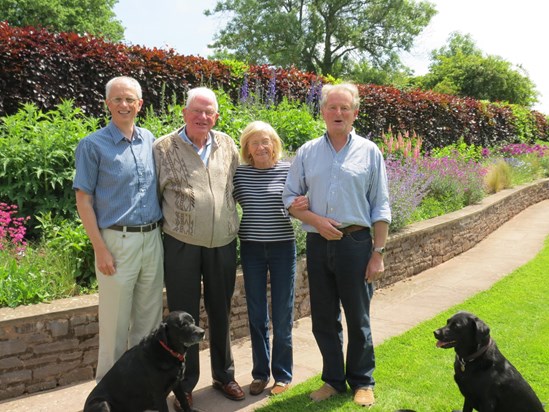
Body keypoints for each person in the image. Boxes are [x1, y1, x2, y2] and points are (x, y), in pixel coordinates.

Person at [282, 83, 391, 407]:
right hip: (318, 244)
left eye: (345, 108)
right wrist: (315, 220)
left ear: (355, 113)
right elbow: (289, 197)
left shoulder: (369, 152)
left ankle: (363, 381)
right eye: (332, 107)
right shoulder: (307, 152)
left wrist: (378, 253)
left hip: (355, 243)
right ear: (323, 112)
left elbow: (381, 206)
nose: (338, 113)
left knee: (358, 317)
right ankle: (333, 379)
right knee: (323, 318)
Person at [153, 87, 244, 411]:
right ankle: (184, 385)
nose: (203, 117)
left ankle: (224, 375)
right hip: (181, 244)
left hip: (222, 243)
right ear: (184, 112)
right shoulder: (163, 148)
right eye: (197, 111)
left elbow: (240, 185)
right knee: (183, 319)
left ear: (216, 116)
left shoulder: (228, 144)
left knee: (221, 311)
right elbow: (152, 195)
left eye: (209, 112)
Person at [73, 76, 164, 382]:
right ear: (107, 104)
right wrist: (100, 248)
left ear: (140, 104)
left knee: (148, 321)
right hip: (116, 242)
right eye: (117, 99)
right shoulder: (92, 145)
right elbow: (83, 201)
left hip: (152, 239)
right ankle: (108, 392)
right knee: (114, 323)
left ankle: (141, 387)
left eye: (130, 100)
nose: (124, 105)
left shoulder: (150, 140)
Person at [233, 121, 308, 397]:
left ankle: (282, 375)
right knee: (256, 314)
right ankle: (260, 373)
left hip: (282, 248)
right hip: (251, 248)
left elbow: (302, 202)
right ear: (247, 149)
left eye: (266, 141)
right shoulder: (239, 175)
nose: (261, 147)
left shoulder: (289, 171)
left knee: (282, 313)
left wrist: (303, 204)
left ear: (274, 145)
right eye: (254, 142)